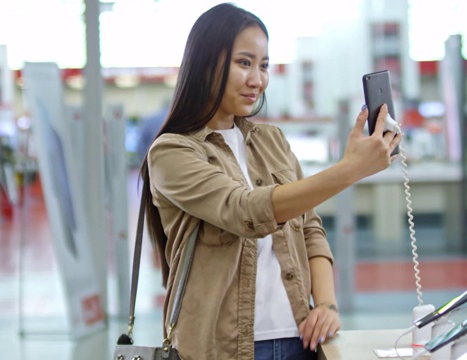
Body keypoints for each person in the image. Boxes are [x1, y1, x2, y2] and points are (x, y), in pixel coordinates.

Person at [140, 3, 401, 359]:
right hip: (221, 348)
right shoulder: (172, 152)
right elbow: (244, 211)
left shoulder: (271, 141)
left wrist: (326, 305)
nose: (257, 79)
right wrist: (350, 169)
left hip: (302, 339)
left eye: (263, 65)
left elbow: (309, 228)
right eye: (244, 63)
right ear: (205, 65)